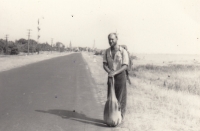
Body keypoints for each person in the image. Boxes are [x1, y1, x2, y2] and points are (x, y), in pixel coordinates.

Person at [103, 33, 129, 120]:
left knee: (120, 98)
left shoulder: (123, 51)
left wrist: (115, 72)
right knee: (111, 98)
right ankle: (111, 117)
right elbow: (104, 65)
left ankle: (119, 118)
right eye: (109, 39)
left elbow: (125, 66)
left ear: (117, 38)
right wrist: (110, 72)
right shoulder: (107, 52)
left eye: (112, 39)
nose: (110, 41)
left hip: (121, 77)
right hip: (111, 77)